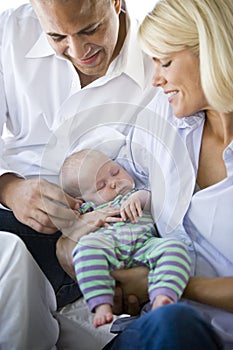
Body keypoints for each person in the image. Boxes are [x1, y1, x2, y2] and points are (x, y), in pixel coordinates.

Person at [0, 0, 156, 315]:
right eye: (57, 37)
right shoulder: (9, 33)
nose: (77, 49)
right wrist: (9, 188)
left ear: (116, 3)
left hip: (103, 236)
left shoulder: (159, 64)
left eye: (90, 29)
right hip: (9, 217)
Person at [102, 0, 233, 348]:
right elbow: (122, 177)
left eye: (166, 62)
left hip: (200, 332)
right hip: (147, 330)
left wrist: (163, 282)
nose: (156, 79)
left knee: (175, 323)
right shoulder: (168, 114)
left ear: (211, 52)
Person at [59, 148, 191, 327]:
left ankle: (164, 295)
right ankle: (101, 304)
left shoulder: (135, 193)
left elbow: (149, 196)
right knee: (86, 248)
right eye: (101, 186)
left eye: (115, 172)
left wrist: (137, 198)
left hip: (145, 245)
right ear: (83, 200)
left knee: (174, 248)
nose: (114, 183)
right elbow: (68, 223)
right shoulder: (90, 210)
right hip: (109, 247)